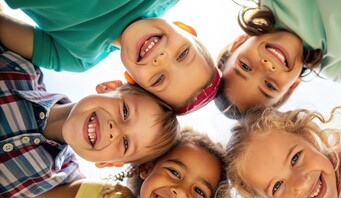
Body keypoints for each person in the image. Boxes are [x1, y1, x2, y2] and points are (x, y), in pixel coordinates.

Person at [0, 45, 179, 198]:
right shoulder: (17, 68)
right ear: (109, 87)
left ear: (108, 163)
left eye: (125, 143)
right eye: (125, 111)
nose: (114, 131)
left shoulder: (61, 178)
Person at [0, 1, 221, 115]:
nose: (161, 59)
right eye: (183, 54)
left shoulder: (76, 58)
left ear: (132, 80)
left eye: (159, 79)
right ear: (186, 29)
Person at [25, 128, 234, 198]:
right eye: (174, 172)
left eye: (199, 191)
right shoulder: (101, 196)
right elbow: (23, 194)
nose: (181, 193)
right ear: (146, 168)